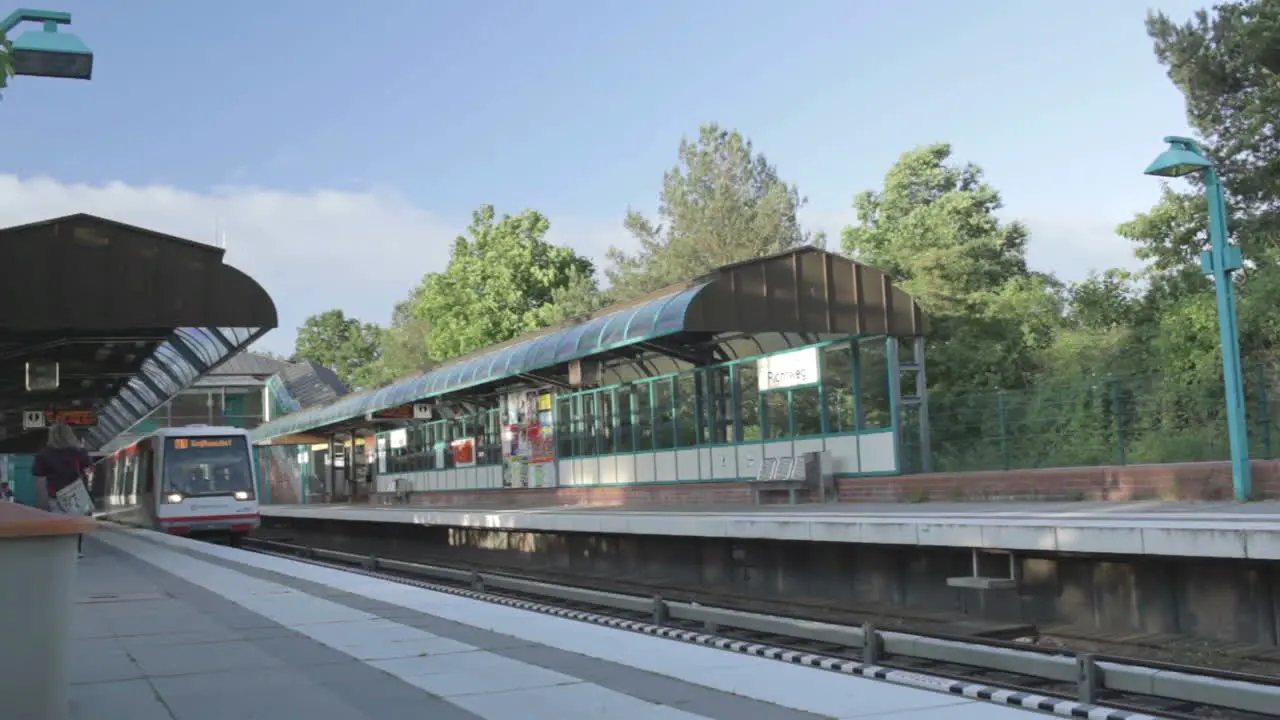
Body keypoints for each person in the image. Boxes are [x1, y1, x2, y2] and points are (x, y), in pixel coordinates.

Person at [32, 421, 93, 558]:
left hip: (55, 494)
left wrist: (42, 502)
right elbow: (88, 470)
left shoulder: (44, 454)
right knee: (76, 522)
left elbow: (39, 477)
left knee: (59, 522)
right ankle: (76, 549)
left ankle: (60, 548)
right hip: (75, 493)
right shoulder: (79, 452)